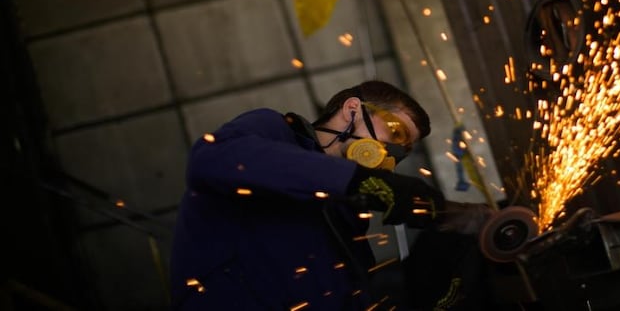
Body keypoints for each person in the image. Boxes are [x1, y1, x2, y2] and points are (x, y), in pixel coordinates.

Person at [170, 80, 460, 310]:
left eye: (404, 150)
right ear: (352, 110)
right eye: (395, 133)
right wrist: (352, 180)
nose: (394, 153)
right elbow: (209, 161)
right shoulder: (272, 131)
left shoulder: (348, 223)